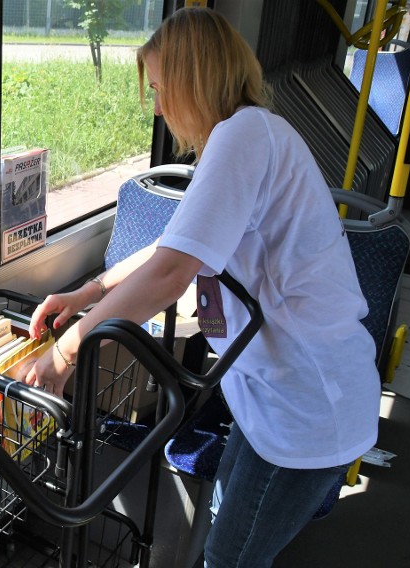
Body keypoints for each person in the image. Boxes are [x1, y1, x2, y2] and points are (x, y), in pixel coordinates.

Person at [22, 7, 381, 567]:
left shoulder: (244, 136)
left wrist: (67, 352)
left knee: (230, 559)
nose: (159, 107)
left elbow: (171, 274)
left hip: (306, 401)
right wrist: (86, 293)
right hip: (271, 392)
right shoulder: (244, 136)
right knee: (220, 528)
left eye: (164, 88)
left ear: (197, 79)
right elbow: (173, 244)